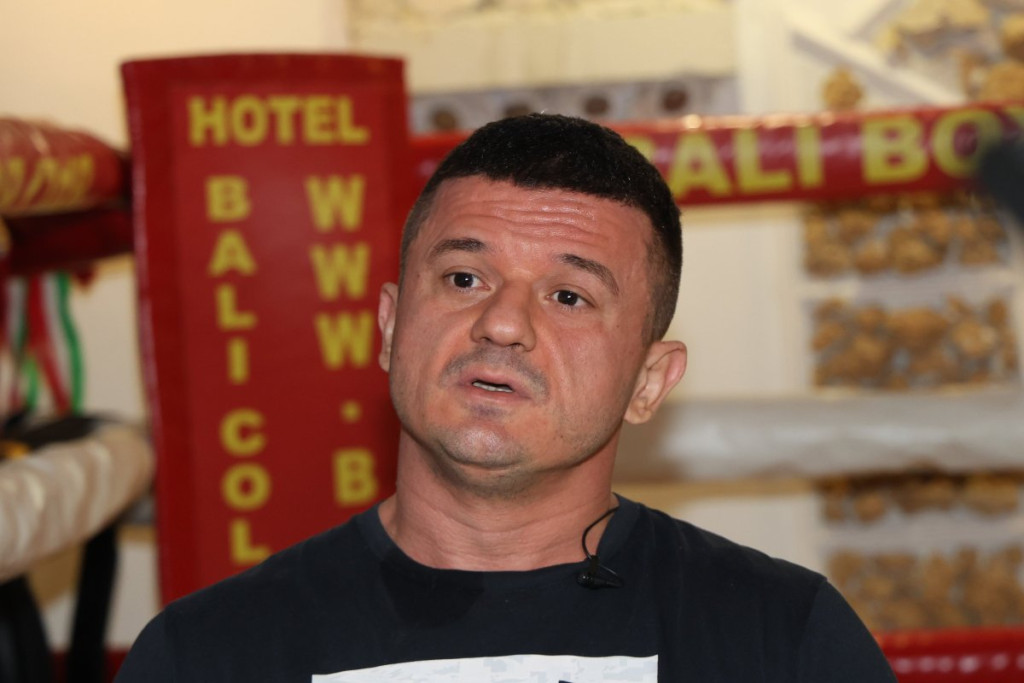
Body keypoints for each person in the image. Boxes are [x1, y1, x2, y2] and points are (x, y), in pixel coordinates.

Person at [116, 114, 896, 682]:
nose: (502, 323)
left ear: (649, 381)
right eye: (464, 278)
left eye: (569, 296)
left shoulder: (783, 641)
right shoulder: (207, 654)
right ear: (389, 327)